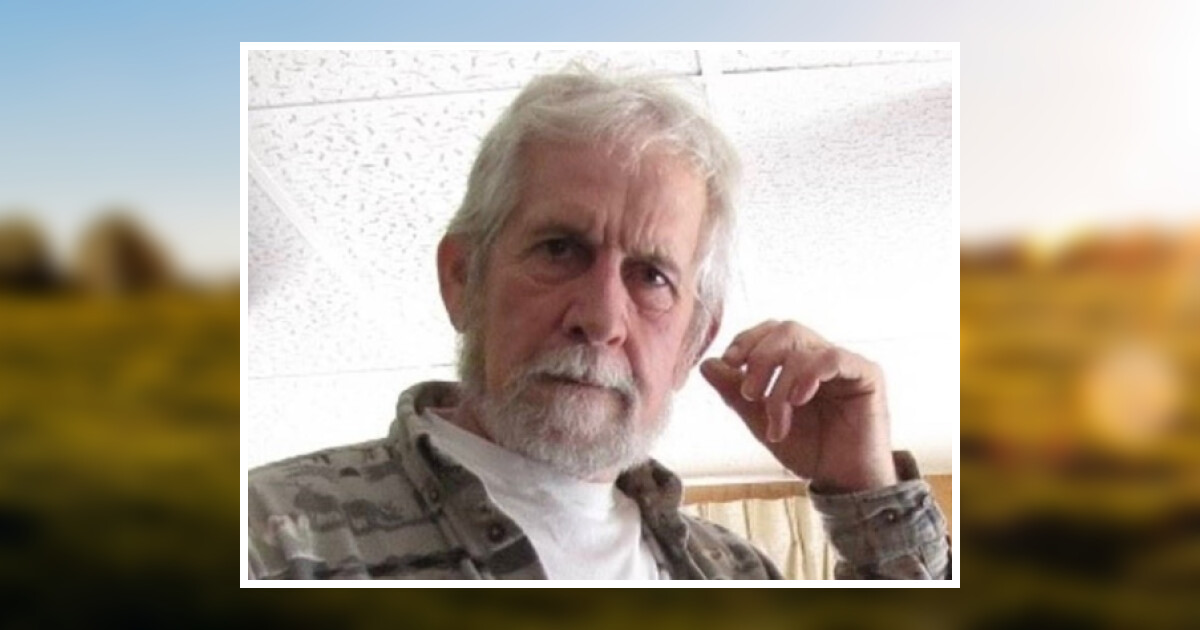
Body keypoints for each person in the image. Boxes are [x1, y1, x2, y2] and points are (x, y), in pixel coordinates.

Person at [247, 69, 950, 580]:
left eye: (651, 277)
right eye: (559, 250)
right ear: (463, 279)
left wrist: (868, 493)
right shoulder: (269, 534)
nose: (601, 318)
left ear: (693, 343)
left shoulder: (734, 573)